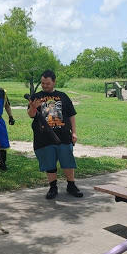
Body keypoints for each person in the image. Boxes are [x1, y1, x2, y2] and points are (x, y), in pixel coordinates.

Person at [27, 69, 83, 199]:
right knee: (49, 162)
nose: (44, 86)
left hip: (63, 136)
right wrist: (33, 107)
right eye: (42, 83)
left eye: (47, 83)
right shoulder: (36, 96)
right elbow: (31, 115)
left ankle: (71, 185)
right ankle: (53, 187)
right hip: (43, 137)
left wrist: (74, 132)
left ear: (54, 82)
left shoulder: (63, 96)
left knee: (67, 161)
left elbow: (71, 115)